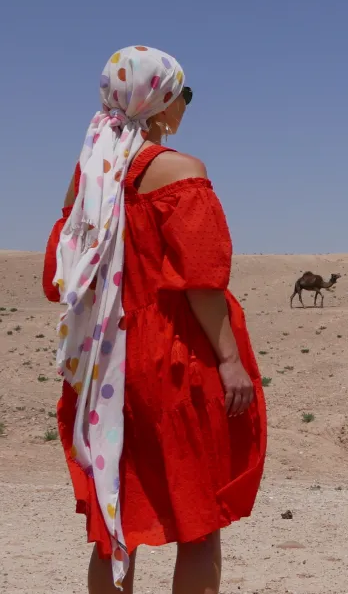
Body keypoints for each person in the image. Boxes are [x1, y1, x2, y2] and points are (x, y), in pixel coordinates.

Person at [42, 46, 267, 594]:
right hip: (174, 360)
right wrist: (231, 361)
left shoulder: (89, 176)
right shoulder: (182, 172)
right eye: (182, 94)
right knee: (199, 524)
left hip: (106, 366)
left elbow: (57, 276)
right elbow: (202, 283)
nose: (186, 105)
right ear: (160, 100)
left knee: (113, 528)